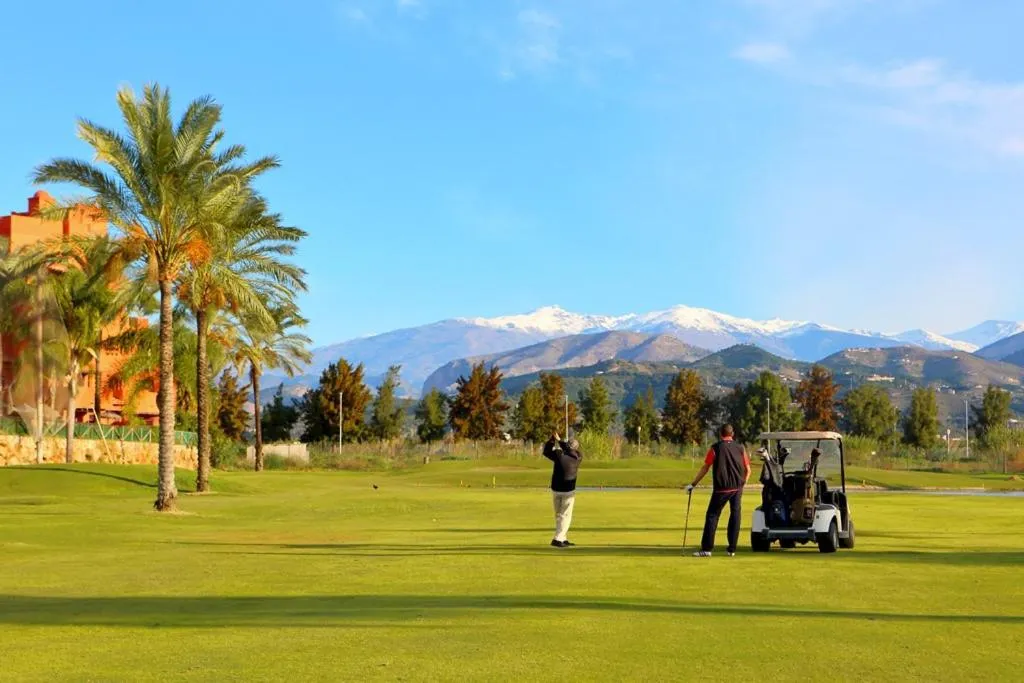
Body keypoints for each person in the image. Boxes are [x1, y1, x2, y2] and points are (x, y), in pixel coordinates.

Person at [686, 424, 750, 557]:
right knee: (735, 515)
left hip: (721, 488)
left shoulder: (715, 448)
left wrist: (693, 484)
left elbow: (705, 467)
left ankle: (707, 549)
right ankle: (731, 549)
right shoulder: (740, 448)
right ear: (732, 434)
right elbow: (748, 470)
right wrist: (743, 483)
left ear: (721, 434)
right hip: (737, 488)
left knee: (712, 516)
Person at [543, 432, 583, 548]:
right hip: (568, 491)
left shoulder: (558, 454)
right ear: (576, 448)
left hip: (556, 489)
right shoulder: (578, 457)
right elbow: (569, 450)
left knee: (559, 515)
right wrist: (560, 441)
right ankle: (558, 539)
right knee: (565, 515)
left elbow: (546, 451)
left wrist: (553, 440)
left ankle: (563, 538)